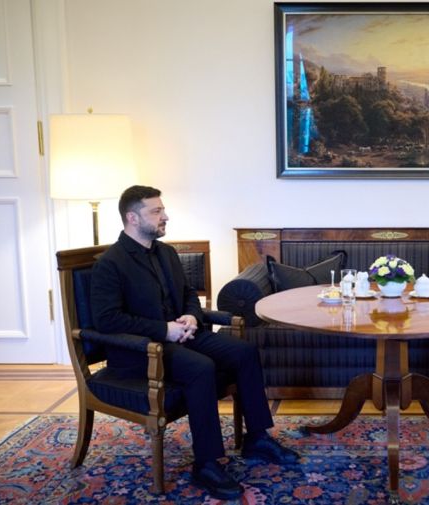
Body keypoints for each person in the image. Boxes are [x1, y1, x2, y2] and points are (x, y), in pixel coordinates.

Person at [91, 185, 298, 500]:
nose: (165, 216)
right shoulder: (110, 263)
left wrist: (190, 315)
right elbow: (107, 320)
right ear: (132, 218)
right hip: (143, 350)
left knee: (244, 352)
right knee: (201, 367)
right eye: (156, 211)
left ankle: (256, 437)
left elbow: (189, 293)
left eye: (163, 209)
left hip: (183, 336)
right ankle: (206, 463)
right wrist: (164, 330)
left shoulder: (167, 253)